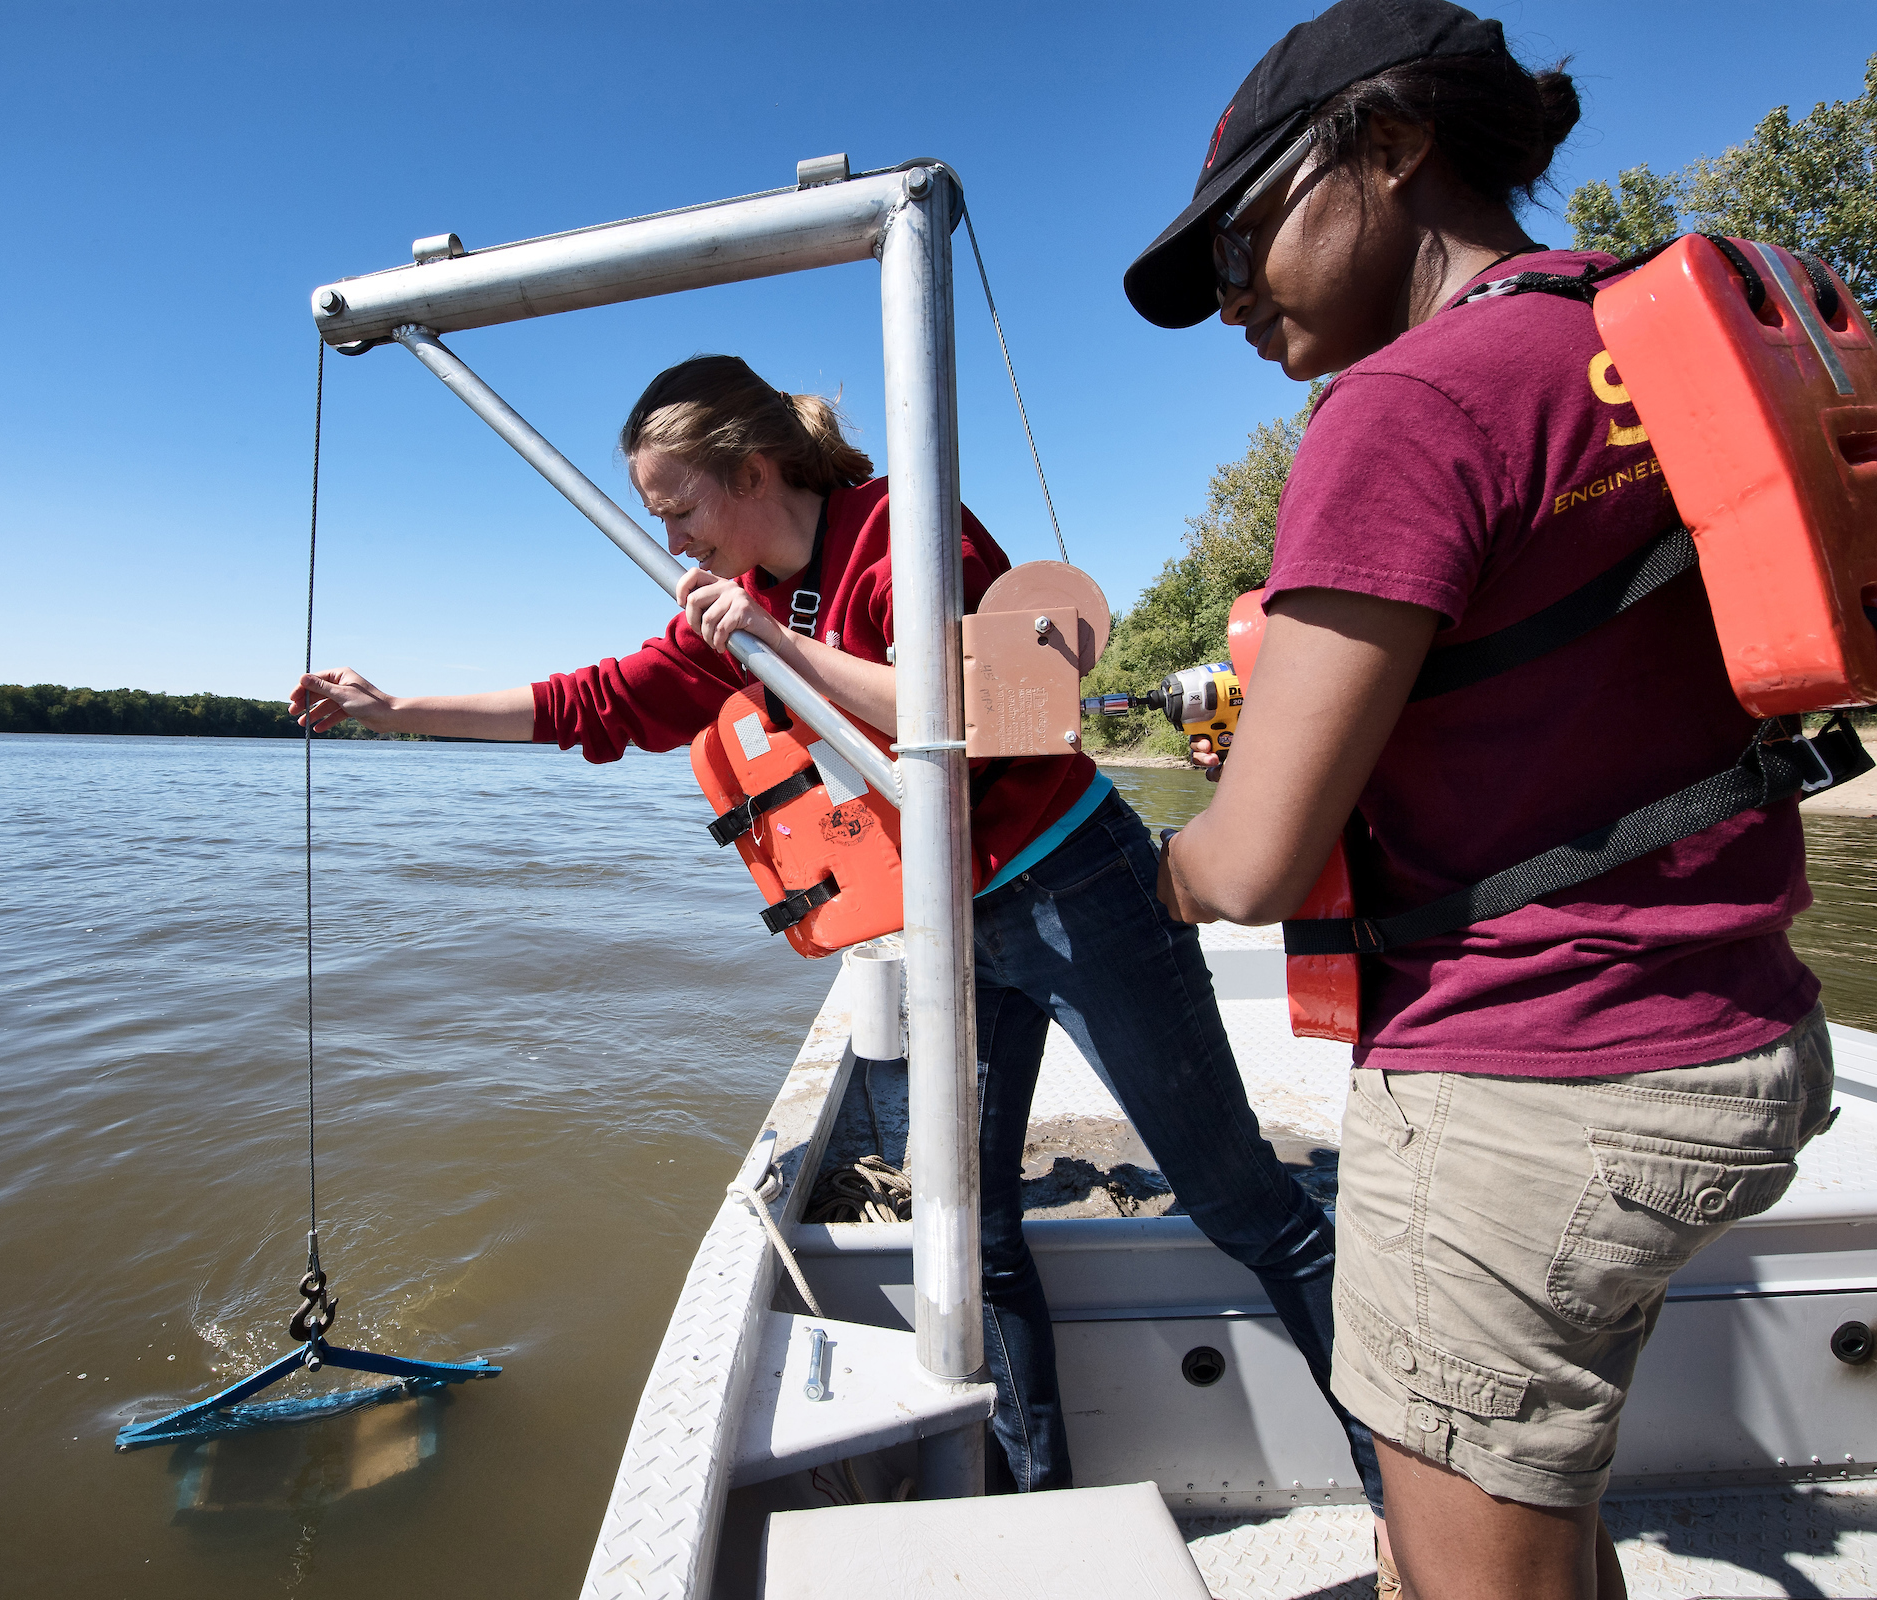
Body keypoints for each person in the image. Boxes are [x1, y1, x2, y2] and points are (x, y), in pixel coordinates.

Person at [291, 354, 1382, 1508]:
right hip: (954, 924)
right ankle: (1031, 1497)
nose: (670, 541)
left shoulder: (904, 531)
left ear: (752, 470)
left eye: (678, 509)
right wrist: (395, 710)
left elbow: (981, 705)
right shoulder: (738, 603)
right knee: (968, 1230)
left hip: (1079, 889)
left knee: (1241, 1204)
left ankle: (1395, 1493)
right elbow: (593, 702)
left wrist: (778, 646)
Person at [1121, 2, 1836, 1596]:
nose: (1233, 302)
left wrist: (1156, 869)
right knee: (1547, 1507)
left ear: (1387, 146)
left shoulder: (1408, 404)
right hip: (1732, 1033)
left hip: (1533, 1084)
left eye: (1241, 243)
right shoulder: (1622, 342)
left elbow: (1247, 871)